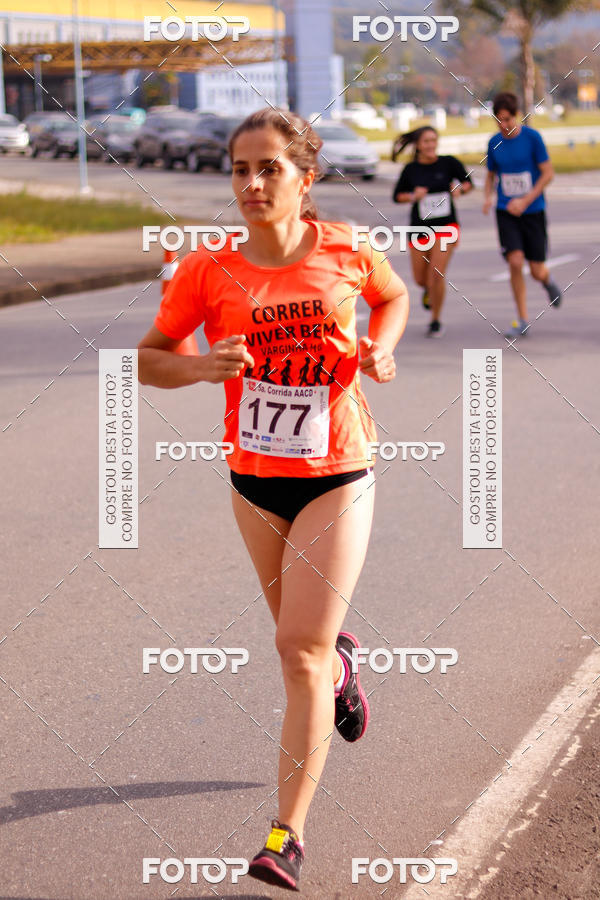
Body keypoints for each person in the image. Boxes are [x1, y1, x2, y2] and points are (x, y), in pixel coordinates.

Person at [137, 107, 409, 892]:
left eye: (270, 169)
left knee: (296, 652)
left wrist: (382, 352)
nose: (252, 184)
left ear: (305, 178)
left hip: (337, 472)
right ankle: (342, 670)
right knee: (307, 650)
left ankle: (286, 835)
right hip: (254, 480)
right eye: (239, 170)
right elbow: (149, 361)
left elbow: (392, 300)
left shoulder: (347, 249)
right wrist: (202, 367)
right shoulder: (208, 270)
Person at [483, 91, 562, 339]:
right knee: (515, 262)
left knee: (536, 269)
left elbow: (548, 173)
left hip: (533, 211)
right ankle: (522, 319)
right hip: (506, 212)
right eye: (499, 120)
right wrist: (488, 197)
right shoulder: (494, 142)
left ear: (516, 116)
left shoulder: (533, 138)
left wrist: (525, 200)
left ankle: (547, 281)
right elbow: (490, 175)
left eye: (507, 119)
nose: (503, 125)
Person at [392, 125, 472, 337]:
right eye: (426, 141)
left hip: (446, 227)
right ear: (418, 145)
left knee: (436, 273)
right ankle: (429, 291)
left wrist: (459, 189)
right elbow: (397, 196)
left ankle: (435, 320)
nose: (430, 145)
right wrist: (412, 196)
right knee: (421, 280)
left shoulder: (448, 163)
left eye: (433, 140)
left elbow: (468, 183)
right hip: (419, 229)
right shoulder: (411, 170)